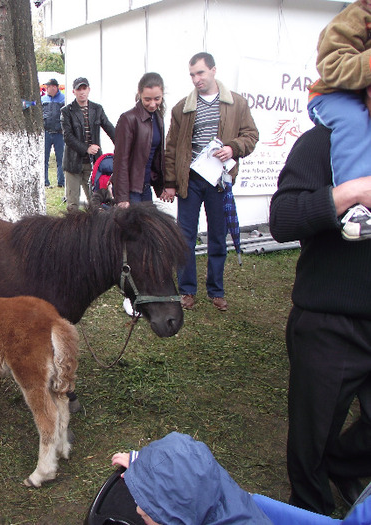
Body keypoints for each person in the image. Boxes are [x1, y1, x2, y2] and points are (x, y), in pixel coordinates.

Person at [270, 81, 371, 516]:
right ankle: (311, 510)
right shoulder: (322, 142)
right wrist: (348, 193)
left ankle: (346, 465)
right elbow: (282, 218)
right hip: (330, 323)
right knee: (312, 441)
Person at [164, 52, 259, 312]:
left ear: (213, 70)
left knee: (218, 235)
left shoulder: (236, 103)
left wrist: (233, 148)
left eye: (200, 73)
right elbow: (171, 147)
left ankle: (216, 290)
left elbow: (251, 135)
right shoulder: (182, 107)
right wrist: (170, 181)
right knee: (185, 236)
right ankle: (187, 290)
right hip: (190, 180)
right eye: (192, 74)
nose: (196, 79)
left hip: (219, 181)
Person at [110, 432, 371, 525]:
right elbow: (196, 468)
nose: (137, 508)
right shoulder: (227, 500)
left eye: (147, 513)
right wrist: (142, 463)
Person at [307, 0, 371, 241]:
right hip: (335, 96)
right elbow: (331, 65)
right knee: (354, 122)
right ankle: (355, 206)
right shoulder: (355, 17)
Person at [111, 432, 272, 524]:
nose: (138, 510)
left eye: (150, 511)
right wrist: (144, 464)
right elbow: (183, 459)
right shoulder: (215, 484)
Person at [61, 77, 116, 212]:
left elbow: (109, 128)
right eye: (78, 89)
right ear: (73, 91)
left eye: (84, 88)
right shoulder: (66, 111)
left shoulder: (97, 109)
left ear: (89, 89)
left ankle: (94, 231)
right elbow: (68, 137)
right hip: (73, 163)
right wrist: (86, 148)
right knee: (73, 204)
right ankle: (73, 232)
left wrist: (122, 145)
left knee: (96, 202)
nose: (82, 92)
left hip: (94, 163)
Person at [113, 72, 167, 206]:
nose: (153, 104)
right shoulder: (128, 118)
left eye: (157, 99)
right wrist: (123, 197)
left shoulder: (158, 117)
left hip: (146, 186)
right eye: (147, 99)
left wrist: (162, 186)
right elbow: (121, 160)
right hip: (131, 190)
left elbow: (157, 157)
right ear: (139, 94)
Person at [42, 78, 65, 188]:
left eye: (48, 87)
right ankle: (45, 181)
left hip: (59, 133)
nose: (47, 89)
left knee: (61, 159)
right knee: (44, 158)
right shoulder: (43, 99)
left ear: (54, 87)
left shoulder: (64, 99)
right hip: (46, 133)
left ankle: (61, 182)